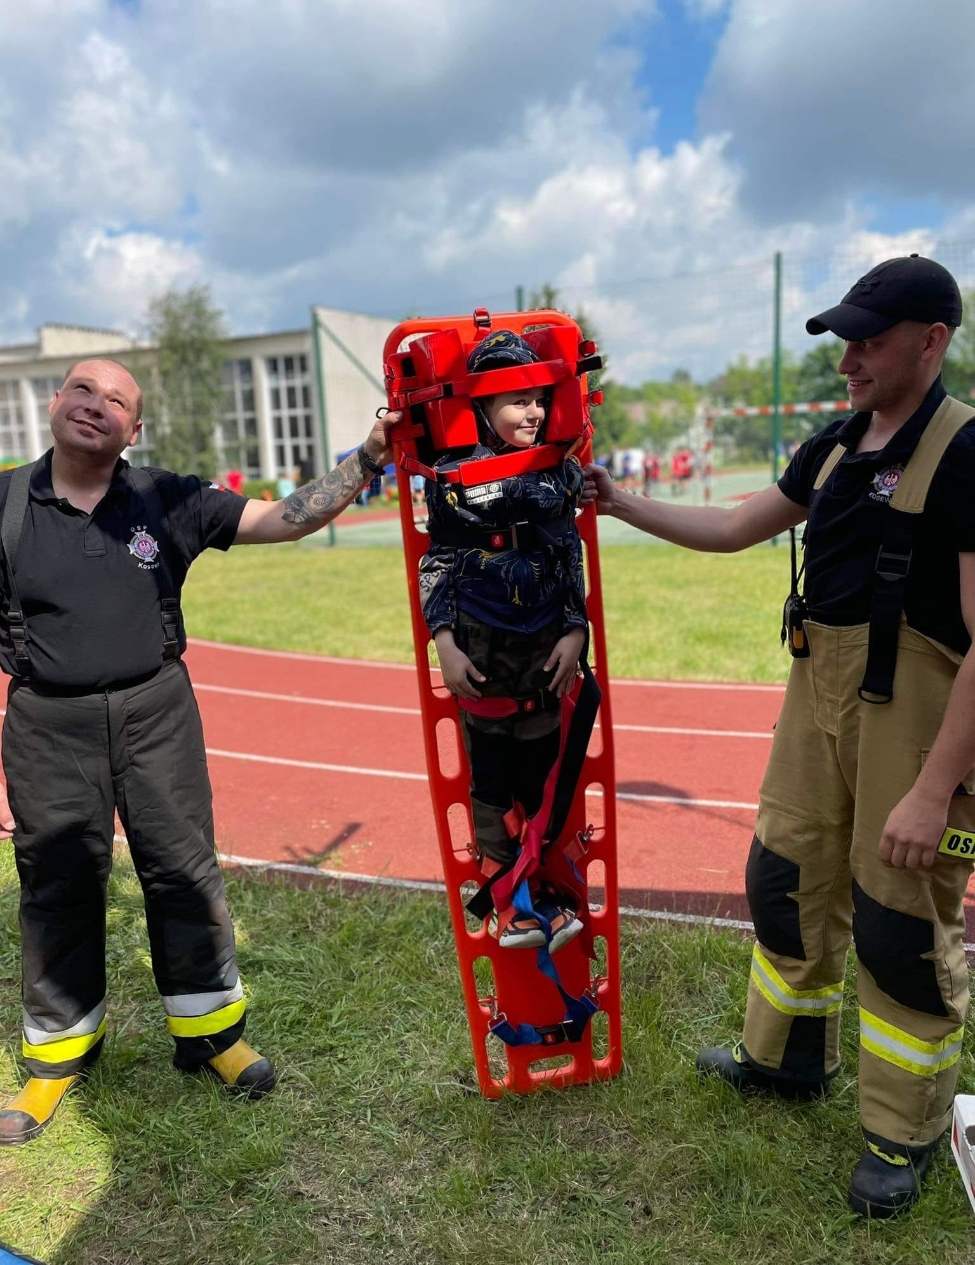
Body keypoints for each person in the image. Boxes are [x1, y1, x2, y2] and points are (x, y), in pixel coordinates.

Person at [582, 255, 974, 1219]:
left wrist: (933, 792)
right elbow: (733, 527)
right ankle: (787, 1058)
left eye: (869, 341)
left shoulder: (967, 455)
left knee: (897, 920)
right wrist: (618, 500)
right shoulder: (836, 445)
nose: (849, 359)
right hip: (817, 694)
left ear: (932, 342)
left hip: (915, 718)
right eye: (843, 340)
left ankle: (902, 1128)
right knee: (785, 875)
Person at [0, 357, 399, 1145]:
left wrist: (370, 457)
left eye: (117, 400)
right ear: (55, 401)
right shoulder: (6, 501)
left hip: (156, 711)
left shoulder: (164, 497)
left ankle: (210, 1037)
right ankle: (57, 1058)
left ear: (133, 430)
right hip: (47, 723)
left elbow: (283, 517)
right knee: (56, 882)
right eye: (82, 389)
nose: (95, 406)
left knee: (181, 868)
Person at [418, 330, 587, 950]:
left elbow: (569, 550)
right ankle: (506, 894)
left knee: (541, 774)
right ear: (482, 408)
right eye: (515, 401)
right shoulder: (451, 476)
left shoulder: (559, 472)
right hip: (480, 644)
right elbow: (436, 558)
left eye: (539, 398)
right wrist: (445, 643)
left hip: (544, 643)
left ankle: (540, 889)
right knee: (490, 776)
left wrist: (576, 628)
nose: (532, 413)